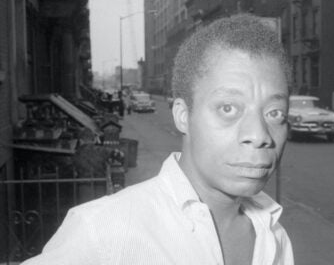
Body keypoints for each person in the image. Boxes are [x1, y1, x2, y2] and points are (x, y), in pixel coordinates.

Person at [21, 13, 294, 265]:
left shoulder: (273, 235)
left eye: (274, 112)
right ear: (183, 115)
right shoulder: (102, 232)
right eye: (228, 108)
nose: (259, 136)